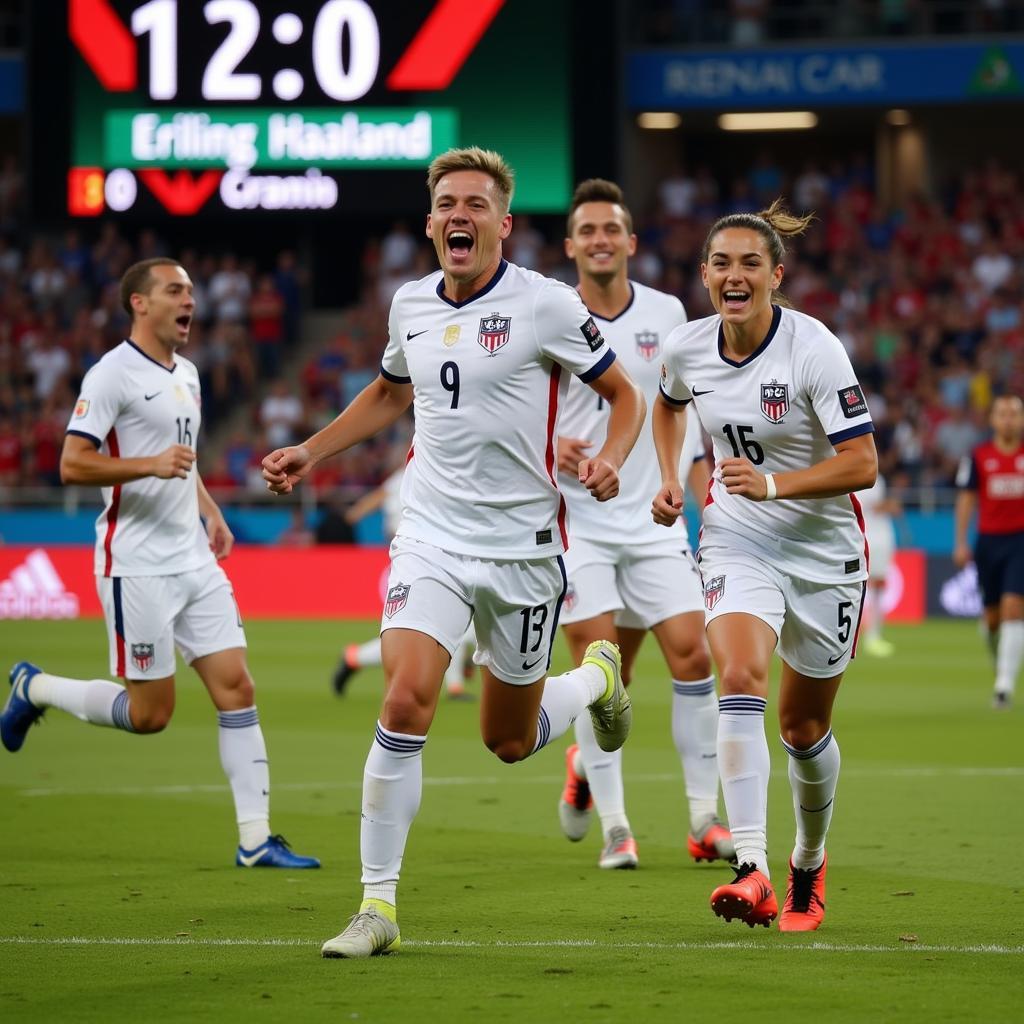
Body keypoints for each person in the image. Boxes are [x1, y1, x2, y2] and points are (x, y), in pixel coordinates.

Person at [261, 148, 645, 958]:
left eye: (476, 204)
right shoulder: (408, 302)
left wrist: (610, 457)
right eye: (447, 204)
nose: (459, 215)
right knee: (404, 701)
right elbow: (392, 391)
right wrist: (313, 450)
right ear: (431, 222)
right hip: (430, 536)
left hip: (524, 551)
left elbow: (624, 394)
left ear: (503, 224)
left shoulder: (545, 305)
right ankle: (376, 906)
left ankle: (598, 676)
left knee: (508, 742)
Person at [0, 258, 319, 871]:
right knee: (151, 716)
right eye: (175, 290)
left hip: (192, 558)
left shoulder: (190, 374)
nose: (189, 300)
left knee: (237, 688)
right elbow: (72, 463)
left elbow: (185, 458)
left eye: (192, 291)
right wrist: (146, 465)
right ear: (139, 304)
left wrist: (211, 512)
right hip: (136, 563)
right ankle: (34, 687)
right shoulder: (110, 376)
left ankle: (255, 839)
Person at [652, 201, 877, 932]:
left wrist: (776, 482)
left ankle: (807, 860)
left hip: (823, 554)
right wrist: (668, 477)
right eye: (722, 263)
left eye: (751, 262)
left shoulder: (813, 349)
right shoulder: (686, 349)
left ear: (777, 275)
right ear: (706, 276)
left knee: (804, 727)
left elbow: (862, 462)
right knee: (740, 676)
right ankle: (751, 868)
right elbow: (667, 406)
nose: (735, 274)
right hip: (736, 540)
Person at [554, 179, 733, 870]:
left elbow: (677, 406)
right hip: (581, 524)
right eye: (588, 230)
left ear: (630, 241)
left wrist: (680, 485)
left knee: (694, 656)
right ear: (571, 246)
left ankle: (702, 818)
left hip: (654, 522)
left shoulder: (668, 312)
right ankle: (617, 829)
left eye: (612, 229)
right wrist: (554, 450)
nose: (601, 239)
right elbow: (515, 410)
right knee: (605, 678)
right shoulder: (551, 313)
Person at [331, 461, 478, 701]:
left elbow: (380, 495)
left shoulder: (428, 472)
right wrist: (352, 516)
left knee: (447, 625)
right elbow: (382, 496)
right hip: (416, 560)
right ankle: (354, 657)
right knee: (417, 632)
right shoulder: (421, 471)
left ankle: (456, 684)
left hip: (434, 557)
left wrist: (353, 515)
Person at [954, 394, 1024, 709]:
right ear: (993, 419)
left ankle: (1004, 686)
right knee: (992, 618)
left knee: (1013, 608)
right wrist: (960, 541)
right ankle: (1001, 663)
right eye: (1003, 413)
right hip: (988, 544)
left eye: (1014, 413)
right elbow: (967, 499)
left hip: (1020, 541)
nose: (1008, 419)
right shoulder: (979, 455)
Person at [859, 472, 901, 656]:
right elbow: (861, 505)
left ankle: (873, 635)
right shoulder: (856, 472)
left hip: (882, 536)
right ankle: (858, 633)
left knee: (879, 584)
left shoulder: (880, 477)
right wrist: (885, 505)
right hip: (864, 536)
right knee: (860, 585)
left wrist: (886, 506)